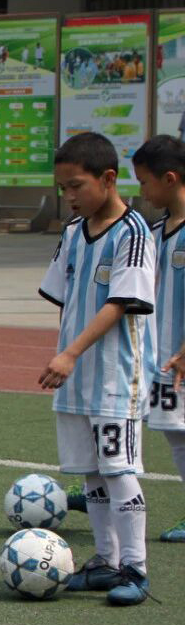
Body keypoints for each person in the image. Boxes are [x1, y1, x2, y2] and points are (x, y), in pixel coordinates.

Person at [38, 133, 154, 608]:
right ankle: (105, 559)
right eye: (63, 188)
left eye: (76, 186)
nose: (69, 196)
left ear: (108, 179)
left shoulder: (133, 233)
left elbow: (120, 304)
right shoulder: (72, 232)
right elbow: (64, 299)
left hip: (112, 376)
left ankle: (136, 567)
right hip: (75, 377)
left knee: (119, 467)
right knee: (90, 473)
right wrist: (64, 353)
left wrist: (70, 353)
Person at [136, 135, 185, 545]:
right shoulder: (154, 231)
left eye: (145, 182)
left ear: (170, 179)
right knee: (171, 431)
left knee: (182, 434)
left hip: (180, 357)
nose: (142, 192)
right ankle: (102, 485)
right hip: (158, 358)